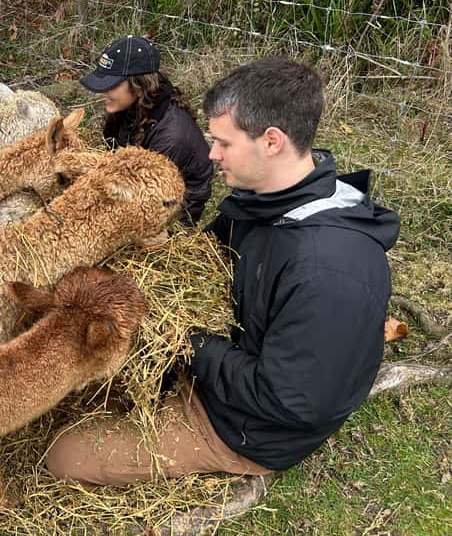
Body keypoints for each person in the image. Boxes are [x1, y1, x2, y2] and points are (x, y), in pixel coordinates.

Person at [46, 56, 400, 485]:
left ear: (272, 141)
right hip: (228, 358)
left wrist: (188, 341)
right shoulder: (262, 198)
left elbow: (288, 402)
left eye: (223, 143)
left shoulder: (328, 272)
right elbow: (205, 257)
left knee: (62, 454)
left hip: (250, 428)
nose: (211, 154)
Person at [80, 35, 212, 225]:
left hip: (170, 216)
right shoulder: (132, 107)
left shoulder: (171, 137)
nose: (103, 92)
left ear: (139, 85)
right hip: (137, 187)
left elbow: (147, 202)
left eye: (112, 84)